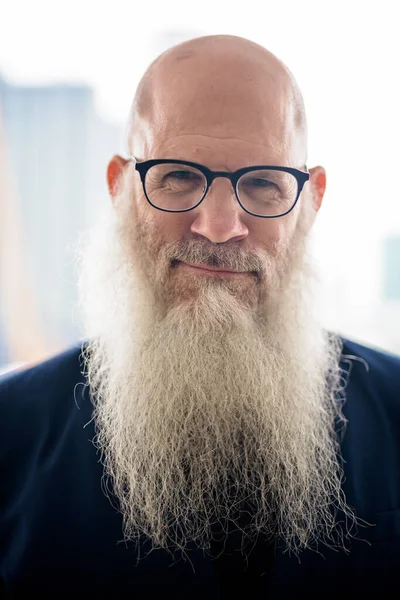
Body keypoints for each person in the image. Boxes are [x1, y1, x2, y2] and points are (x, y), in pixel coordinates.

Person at [1, 34, 399, 599]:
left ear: (310, 201)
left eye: (263, 183)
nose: (218, 226)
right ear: (122, 189)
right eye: (179, 177)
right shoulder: (10, 435)